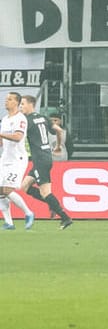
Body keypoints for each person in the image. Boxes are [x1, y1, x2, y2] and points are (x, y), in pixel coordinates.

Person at [18, 94, 71, 227]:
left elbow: (18, 137)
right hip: (45, 157)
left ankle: (65, 217)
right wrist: (58, 146)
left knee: (45, 192)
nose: (21, 107)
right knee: (24, 186)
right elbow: (59, 130)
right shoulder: (43, 118)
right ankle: (53, 204)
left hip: (40, 159)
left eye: (23, 104)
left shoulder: (27, 121)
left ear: (31, 104)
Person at [0, 92, 35, 230]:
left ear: (17, 102)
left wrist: (1, 134)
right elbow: (2, 142)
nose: (6, 101)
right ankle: (9, 222)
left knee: (7, 189)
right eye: (6, 99)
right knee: (0, 190)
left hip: (17, 159)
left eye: (9, 99)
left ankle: (28, 213)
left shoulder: (20, 119)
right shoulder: (4, 119)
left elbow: (17, 137)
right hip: (5, 158)